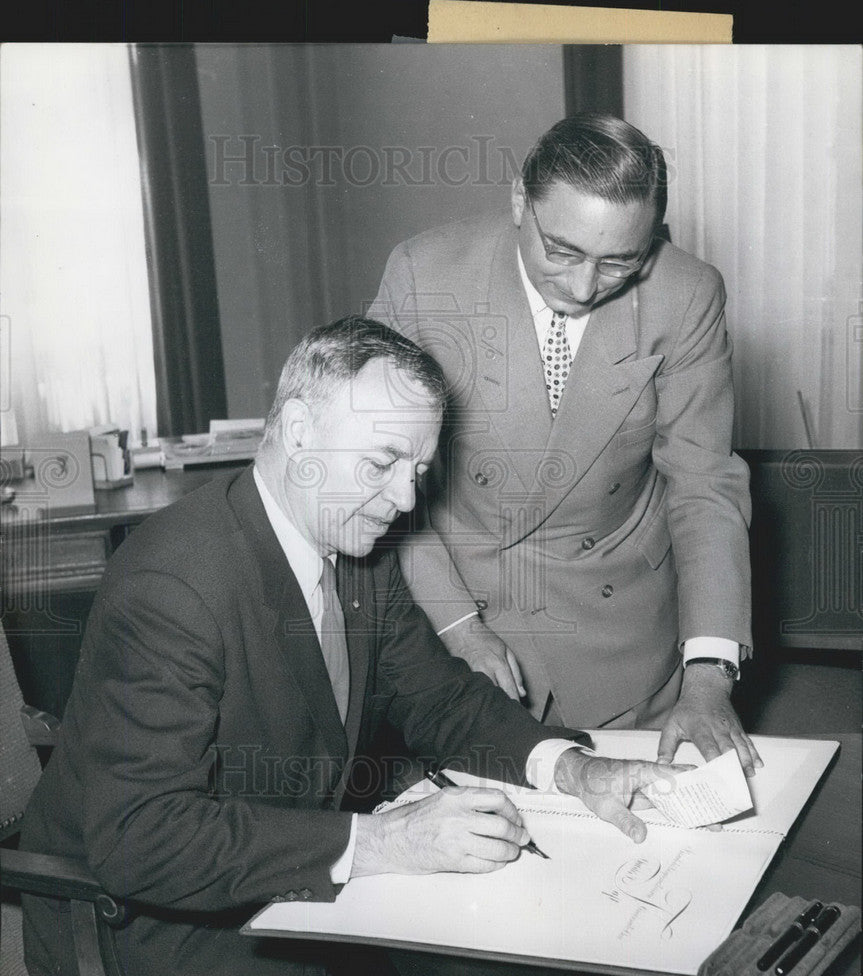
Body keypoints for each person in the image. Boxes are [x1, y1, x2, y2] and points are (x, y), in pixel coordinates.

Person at [22, 317, 683, 976]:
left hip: (288, 867)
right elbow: (140, 838)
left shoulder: (350, 545)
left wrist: (571, 769)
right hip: (161, 927)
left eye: (418, 470)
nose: (403, 498)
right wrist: (383, 840)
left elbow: (439, 698)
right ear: (300, 430)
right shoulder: (172, 582)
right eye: (382, 461)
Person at [367, 113, 761, 775]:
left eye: (619, 262)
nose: (583, 288)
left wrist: (708, 671)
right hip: (457, 617)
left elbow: (703, 486)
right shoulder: (422, 274)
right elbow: (378, 478)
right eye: (562, 251)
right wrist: (458, 627)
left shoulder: (687, 294)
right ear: (520, 199)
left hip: (621, 641)